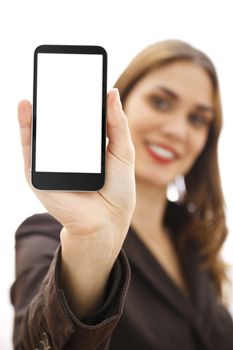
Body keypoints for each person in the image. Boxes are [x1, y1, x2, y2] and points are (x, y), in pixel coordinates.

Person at [10, 39, 233, 349]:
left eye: (197, 119)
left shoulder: (196, 241)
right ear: (118, 107)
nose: (177, 131)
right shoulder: (50, 234)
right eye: (161, 102)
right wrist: (90, 240)